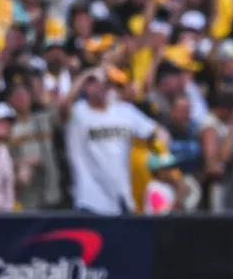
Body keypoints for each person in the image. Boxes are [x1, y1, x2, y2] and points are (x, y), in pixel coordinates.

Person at [62, 67, 171, 216]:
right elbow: (62, 107)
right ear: (86, 86)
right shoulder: (77, 113)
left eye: (105, 83)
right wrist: (86, 76)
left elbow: (159, 132)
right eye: (94, 83)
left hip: (122, 199)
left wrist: (160, 150)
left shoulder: (124, 111)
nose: (101, 87)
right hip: (89, 200)